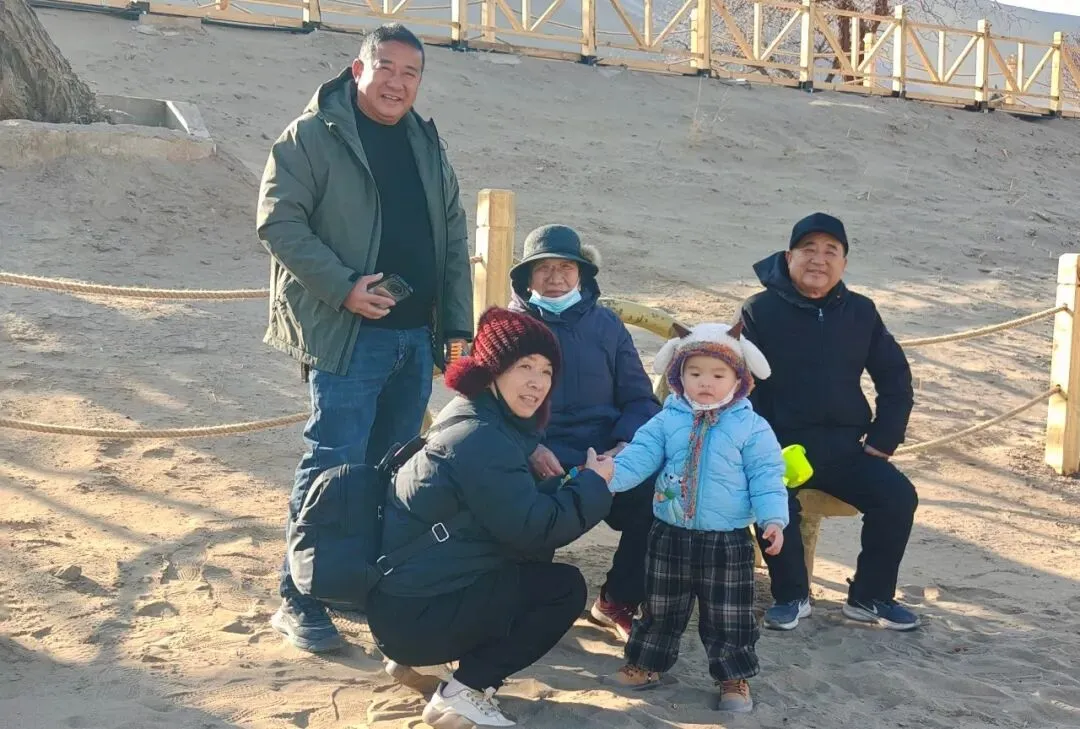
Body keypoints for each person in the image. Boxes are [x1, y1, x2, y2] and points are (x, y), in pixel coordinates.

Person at [257, 23, 473, 652]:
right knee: (333, 464)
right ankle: (297, 598)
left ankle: (351, 583)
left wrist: (456, 335)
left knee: (392, 468)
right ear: (358, 69)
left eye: (411, 73)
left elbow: (452, 239)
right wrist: (345, 287)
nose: (397, 83)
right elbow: (278, 221)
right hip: (350, 335)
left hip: (414, 339)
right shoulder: (310, 136)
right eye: (386, 68)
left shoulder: (426, 144)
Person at [367, 307, 615, 728]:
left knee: (530, 562)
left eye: (547, 370)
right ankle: (465, 690)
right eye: (524, 367)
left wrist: (561, 480)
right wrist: (593, 485)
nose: (537, 382)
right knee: (563, 590)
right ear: (492, 370)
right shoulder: (483, 438)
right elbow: (537, 529)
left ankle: (417, 661)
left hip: (403, 602)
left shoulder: (469, 415)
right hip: (417, 617)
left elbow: (501, 508)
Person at [740, 212, 920, 632]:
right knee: (773, 500)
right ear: (789, 257)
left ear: (844, 263)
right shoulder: (759, 310)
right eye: (808, 249)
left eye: (830, 251)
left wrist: (883, 439)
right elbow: (744, 386)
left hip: (845, 449)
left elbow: (895, 377)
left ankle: (870, 597)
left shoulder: (861, 312)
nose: (818, 260)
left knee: (897, 496)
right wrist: (759, 446)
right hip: (779, 447)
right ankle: (791, 596)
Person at [606, 321, 788, 713]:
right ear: (678, 376)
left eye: (718, 375)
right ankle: (646, 664)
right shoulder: (667, 419)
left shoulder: (751, 427)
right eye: (695, 373)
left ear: (738, 379)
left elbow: (767, 476)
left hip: (727, 539)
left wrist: (773, 519)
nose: (706, 382)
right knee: (660, 607)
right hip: (669, 532)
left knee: (729, 613)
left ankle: (732, 677)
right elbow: (639, 456)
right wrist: (609, 477)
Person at [507, 224, 661, 641]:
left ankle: (617, 599)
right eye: (544, 268)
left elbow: (641, 399)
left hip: (607, 452)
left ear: (581, 274)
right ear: (527, 277)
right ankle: (526, 602)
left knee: (657, 498)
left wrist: (625, 445)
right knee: (522, 505)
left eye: (566, 268)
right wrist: (531, 447)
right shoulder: (509, 328)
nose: (555, 278)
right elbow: (488, 406)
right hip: (541, 454)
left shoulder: (607, 325)